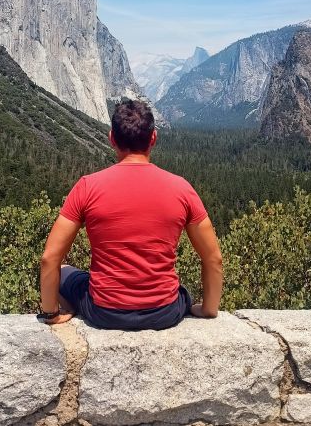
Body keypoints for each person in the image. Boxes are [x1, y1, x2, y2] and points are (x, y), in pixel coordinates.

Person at [38, 100, 223, 330]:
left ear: (112, 138)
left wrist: (50, 313)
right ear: (153, 138)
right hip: (165, 312)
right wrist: (208, 309)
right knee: (183, 292)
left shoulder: (87, 186)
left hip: (104, 313)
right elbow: (213, 258)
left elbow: (50, 259)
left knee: (65, 271)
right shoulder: (182, 188)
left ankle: (66, 310)